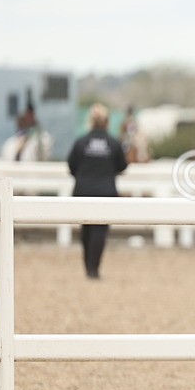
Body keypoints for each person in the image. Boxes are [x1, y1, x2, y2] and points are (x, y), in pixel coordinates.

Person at [67, 103, 128, 279]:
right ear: (107, 121)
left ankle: (87, 266)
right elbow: (122, 165)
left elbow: (71, 166)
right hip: (106, 191)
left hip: (83, 190)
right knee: (100, 231)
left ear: (90, 121)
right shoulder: (114, 143)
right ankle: (94, 269)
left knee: (86, 229)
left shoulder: (81, 141)